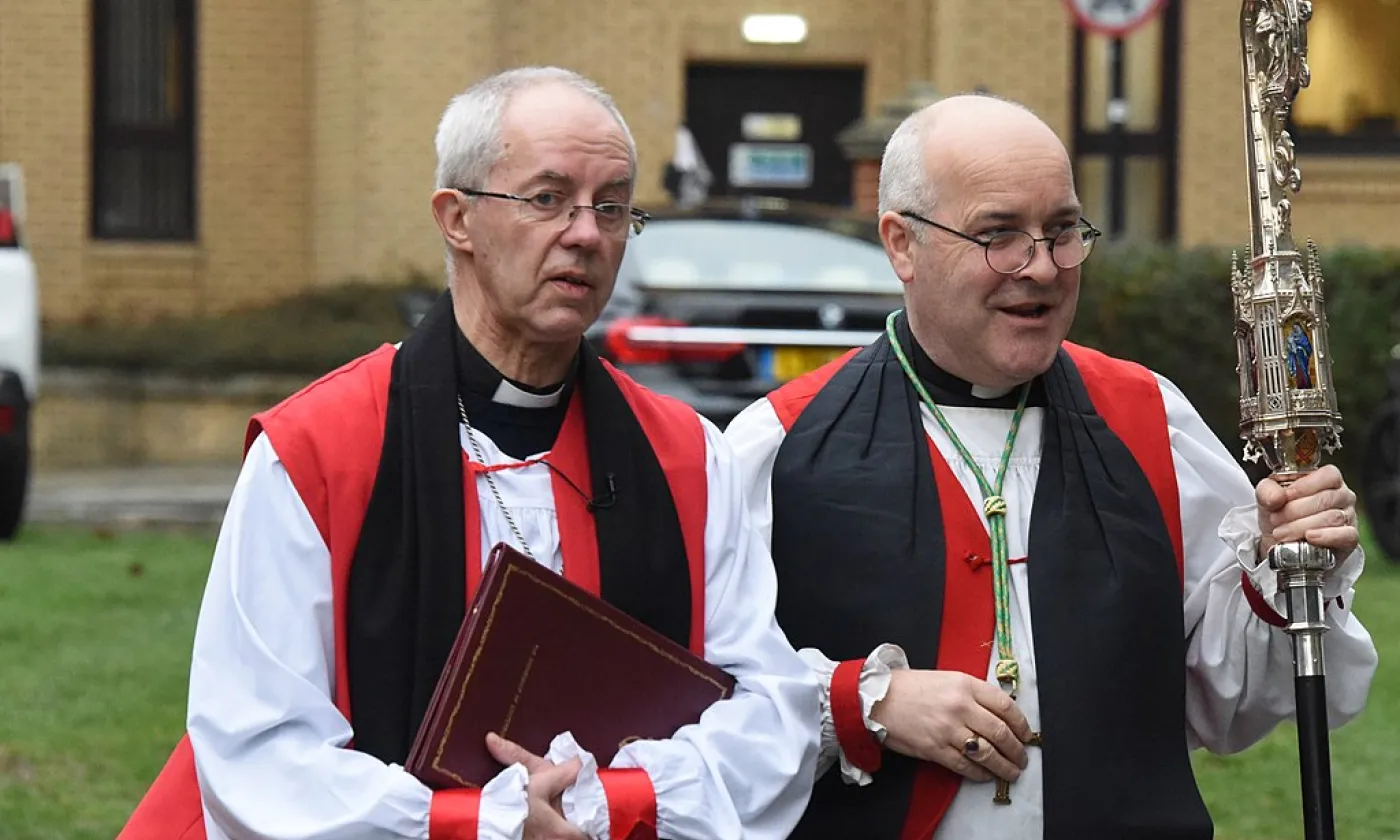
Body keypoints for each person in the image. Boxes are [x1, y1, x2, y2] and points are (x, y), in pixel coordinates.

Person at [118, 66, 820, 840]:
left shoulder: (687, 457)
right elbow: (257, 750)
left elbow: (770, 716)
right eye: (548, 199)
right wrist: (479, 825)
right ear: (456, 219)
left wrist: (608, 806)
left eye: (613, 206)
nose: (587, 233)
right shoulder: (318, 452)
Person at [723, 94, 1379, 840]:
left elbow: (1227, 701)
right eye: (999, 235)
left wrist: (1281, 566)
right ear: (902, 244)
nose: (1040, 267)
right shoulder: (785, 443)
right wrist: (866, 701)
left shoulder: (1145, 421)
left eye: (1063, 231)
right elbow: (700, 702)